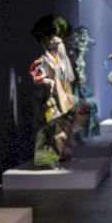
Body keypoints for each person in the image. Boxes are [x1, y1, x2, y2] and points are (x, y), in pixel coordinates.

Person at [30, 14, 77, 168]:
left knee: (65, 127)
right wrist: (48, 82)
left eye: (59, 39)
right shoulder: (43, 60)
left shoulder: (62, 60)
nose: (57, 42)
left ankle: (62, 153)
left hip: (64, 97)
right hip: (50, 98)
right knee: (52, 128)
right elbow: (37, 76)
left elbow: (69, 77)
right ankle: (50, 159)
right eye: (52, 39)